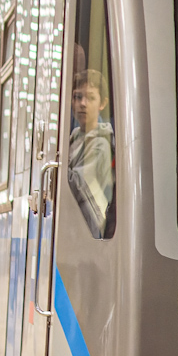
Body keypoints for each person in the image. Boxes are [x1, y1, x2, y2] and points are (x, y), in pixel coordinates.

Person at [67, 69, 114, 238]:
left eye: (91, 98)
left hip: (90, 229)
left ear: (102, 103)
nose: (83, 104)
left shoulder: (101, 144)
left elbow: (80, 184)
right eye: (78, 97)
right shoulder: (74, 138)